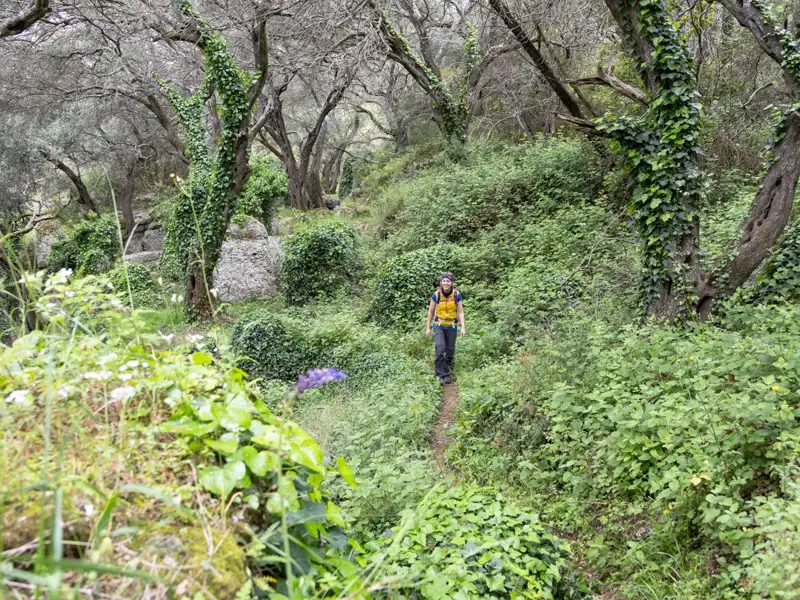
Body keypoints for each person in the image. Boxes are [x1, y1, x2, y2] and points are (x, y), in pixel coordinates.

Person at [425, 272, 466, 384]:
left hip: (452, 326)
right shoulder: (436, 295)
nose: (446, 283)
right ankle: (440, 375)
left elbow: (461, 312)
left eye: (448, 281)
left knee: (450, 351)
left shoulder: (457, 295)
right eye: (444, 281)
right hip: (439, 325)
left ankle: (448, 373)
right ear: (441, 282)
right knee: (439, 347)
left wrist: (463, 327)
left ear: (451, 283)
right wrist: (428, 328)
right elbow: (430, 312)